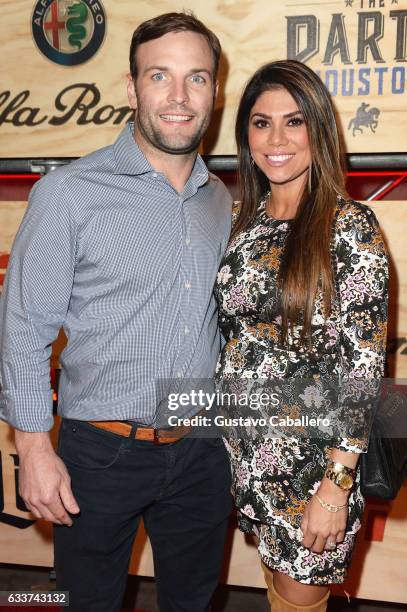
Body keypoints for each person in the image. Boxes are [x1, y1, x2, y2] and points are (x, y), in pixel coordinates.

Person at [0, 12, 233, 612]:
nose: (179, 97)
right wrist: (33, 448)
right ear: (132, 89)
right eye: (161, 76)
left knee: (195, 603)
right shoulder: (70, 193)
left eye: (197, 78)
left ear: (216, 91)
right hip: (100, 454)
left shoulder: (221, 201)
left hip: (203, 449)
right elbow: (24, 329)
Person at [214, 60, 388, 612]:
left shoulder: (349, 226)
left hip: (311, 473)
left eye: (295, 122)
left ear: (320, 129)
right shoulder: (247, 219)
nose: (277, 139)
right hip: (249, 459)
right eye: (261, 123)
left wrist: (335, 488)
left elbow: (362, 370)